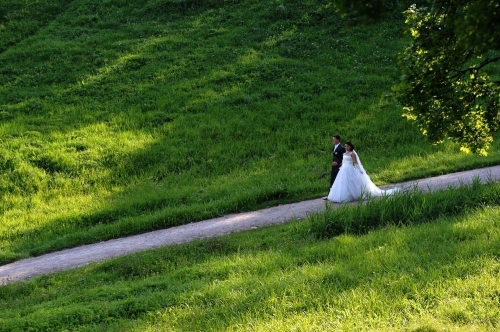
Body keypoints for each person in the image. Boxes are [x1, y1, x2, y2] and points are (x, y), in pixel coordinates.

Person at [327, 141, 399, 202]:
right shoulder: (344, 154)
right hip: (343, 169)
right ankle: (341, 195)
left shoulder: (352, 154)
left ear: (350, 147)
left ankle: (352, 195)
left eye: (347, 146)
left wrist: (359, 170)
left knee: (351, 182)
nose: (346, 147)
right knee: (342, 182)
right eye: (345, 146)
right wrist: (339, 165)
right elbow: (343, 161)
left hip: (350, 168)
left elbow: (355, 163)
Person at [322, 135, 346, 200]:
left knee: (338, 180)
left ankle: (340, 195)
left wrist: (337, 163)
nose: (333, 141)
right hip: (334, 166)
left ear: (338, 140)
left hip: (339, 166)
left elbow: (344, 157)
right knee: (332, 180)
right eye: (333, 139)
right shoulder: (334, 147)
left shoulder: (341, 148)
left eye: (334, 139)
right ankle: (330, 195)